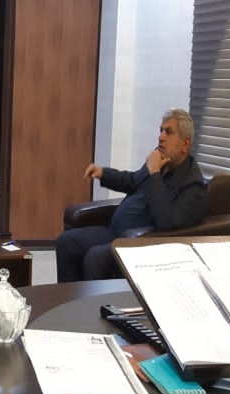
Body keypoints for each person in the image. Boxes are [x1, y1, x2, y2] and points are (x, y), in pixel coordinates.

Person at [56, 108, 206, 282]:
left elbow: (166, 221)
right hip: (114, 231)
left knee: (95, 258)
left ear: (185, 144)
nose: (161, 137)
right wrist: (104, 173)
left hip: (136, 242)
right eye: (161, 130)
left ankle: (93, 301)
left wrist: (155, 173)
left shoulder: (192, 186)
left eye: (169, 132)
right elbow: (133, 180)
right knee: (66, 242)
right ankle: (70, 297)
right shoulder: (161, 162)